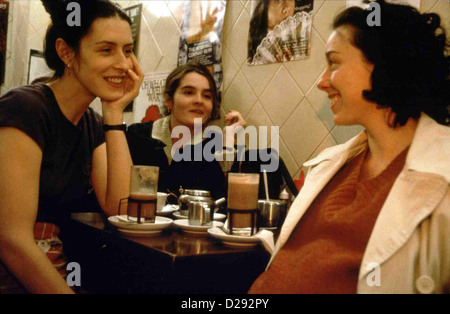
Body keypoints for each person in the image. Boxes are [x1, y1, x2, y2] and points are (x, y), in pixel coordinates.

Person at [249, 0, 450, 294]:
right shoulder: (331, 165)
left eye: (334, 62)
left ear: (386, 64)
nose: (321, 82)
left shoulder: (443, 175)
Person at [0, 0, 144, 294]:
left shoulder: (91, 122)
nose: (124, 63)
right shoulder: (26, 109)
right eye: (106, 49)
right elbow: (10, 240)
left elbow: (121, 209)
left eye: (128, 50)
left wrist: (114, 114)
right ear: (66, 52)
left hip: (51, 269)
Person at [126, 62, 283, 203]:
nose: (199, 100)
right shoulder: (138, 137)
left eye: (207, 96)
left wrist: (229, 142)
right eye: (189, 92)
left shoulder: (215, 148)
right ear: (169, 100)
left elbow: (229, 204)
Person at [248, 0, 313, 63]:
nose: (287, 8)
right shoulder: (251, 55)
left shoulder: (305, 35)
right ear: (262, 7)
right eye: (278, 0)